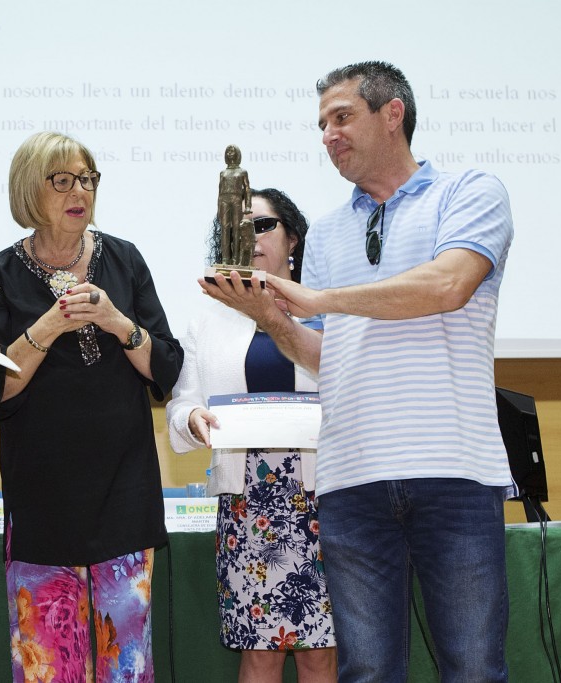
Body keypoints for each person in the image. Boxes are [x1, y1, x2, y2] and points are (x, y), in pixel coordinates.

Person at [201, 61, 514, 682]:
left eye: (342, 117)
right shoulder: (331, 233)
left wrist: (319, 300)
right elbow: (328, 357)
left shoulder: (470, 192)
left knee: (474, 669)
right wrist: (272, 318)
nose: (328, 135)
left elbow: (449, 284)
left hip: (452, 469)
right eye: (321, 124)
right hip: (350, 481)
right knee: (366, 672)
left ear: (392, 114)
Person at [0, 131, 183, 683]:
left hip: (123, 492)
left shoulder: (125, 259)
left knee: (127, 667)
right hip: (42, 499)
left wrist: (116, 321)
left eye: (87, 179)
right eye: (62, 179)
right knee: (49, 667)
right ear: (28, 189)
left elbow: (166, 366)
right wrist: (48, 324)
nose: (78, 191)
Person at [167, 189, 337, 682]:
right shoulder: (208, 320)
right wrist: (192, 420)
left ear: (293, 239)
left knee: (319, 652)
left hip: (325, 498)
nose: (251, 237)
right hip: (249, 503)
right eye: (238, 229)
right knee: (259, 651)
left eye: (263, 225)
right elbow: (183, 403)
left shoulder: (328, 313)